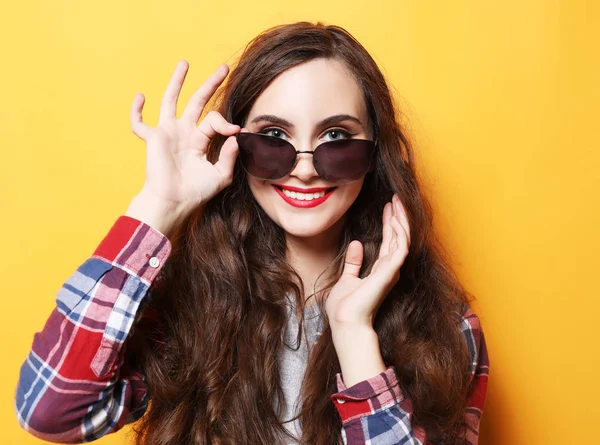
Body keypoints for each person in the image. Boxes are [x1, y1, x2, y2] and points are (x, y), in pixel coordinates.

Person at [14, 21, 489, 445]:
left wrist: (354, 335)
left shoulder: (443, 327)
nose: (304, 170)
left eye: (337, 138)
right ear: (237, 147)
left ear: (374, 154)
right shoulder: (189, 303)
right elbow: (50, 410)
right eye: (274, 138)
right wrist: (160, 206)